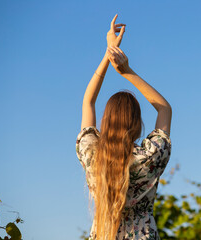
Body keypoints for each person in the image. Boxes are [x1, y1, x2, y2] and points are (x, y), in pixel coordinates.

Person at [75, 14, 172, 240]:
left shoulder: (93, 154)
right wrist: (126, 71)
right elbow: (165, 109)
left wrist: (108, 54)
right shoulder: (150, 155)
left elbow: (88, 101)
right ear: (137, 124)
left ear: (105, 121)